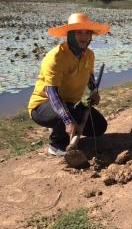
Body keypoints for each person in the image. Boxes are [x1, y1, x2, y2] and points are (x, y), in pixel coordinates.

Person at [27, 12, 110, 156]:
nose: (84, 37)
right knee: (66, 115)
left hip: (71, 103)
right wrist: (67, 120)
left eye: (87, 33)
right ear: (69, 34)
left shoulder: (89, 55)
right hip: (44, 104)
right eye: (78, 32)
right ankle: (56, 144)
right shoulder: (56, 57)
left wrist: (93, 92)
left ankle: (68, 130)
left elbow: (89, 76)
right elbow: (51, 92)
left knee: (99, 126)